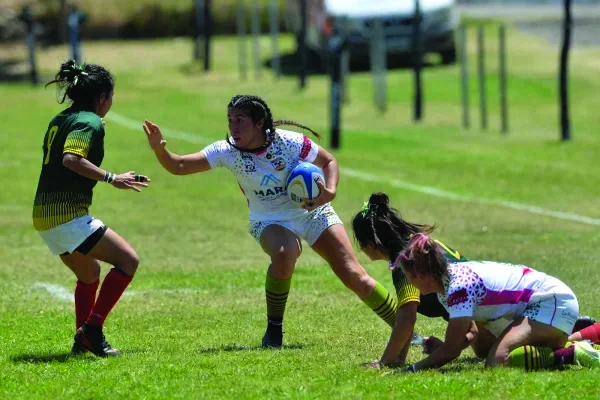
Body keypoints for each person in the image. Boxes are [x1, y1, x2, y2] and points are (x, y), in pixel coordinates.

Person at [142, 94, 398, 348]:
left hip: (313, 212)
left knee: (355, 276)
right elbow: (180, 166)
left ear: (259, 123)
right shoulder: (227, 150)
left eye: (240, 120)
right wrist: (159, 149)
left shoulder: (288, 142)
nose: (233, 126)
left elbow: (328, 161)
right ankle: (274, 330)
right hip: (268, 219)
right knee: (285, 252)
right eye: (230, 119)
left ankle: (406, 329)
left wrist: (328, 192)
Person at [33, 59, 150, 357]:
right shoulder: (89, 121)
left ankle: (81, 341)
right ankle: (93, 330)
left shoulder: (63, 118)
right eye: (110, 97)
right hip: (66, 215)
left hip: (45, 215)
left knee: (89, 274)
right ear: (101, 98)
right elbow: (71, 159)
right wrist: (113, 178)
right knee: (128, 261)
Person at [396, 233, 600, 372]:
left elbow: (451, 350)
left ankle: (571, 353)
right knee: (484, 351)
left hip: (551, 301)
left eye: (408, 276)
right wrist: (449, 347)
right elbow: (471, 333)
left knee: (497, 360)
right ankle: (564, 335)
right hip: (541, 303)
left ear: (422, 275)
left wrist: (412, 369)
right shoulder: (445, 286)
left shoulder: (457, 288)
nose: (408, 281)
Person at [351, 192, 485, 368]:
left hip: (491, 308)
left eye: (360, 242)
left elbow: (407, 318)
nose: (360, 248)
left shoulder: (406, 259)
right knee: (485, 351)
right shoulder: (413, 244)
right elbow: (470, 330)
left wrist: (385, 362)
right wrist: (445, 348)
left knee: (498, 354)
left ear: (371, 243)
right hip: (481, 308)